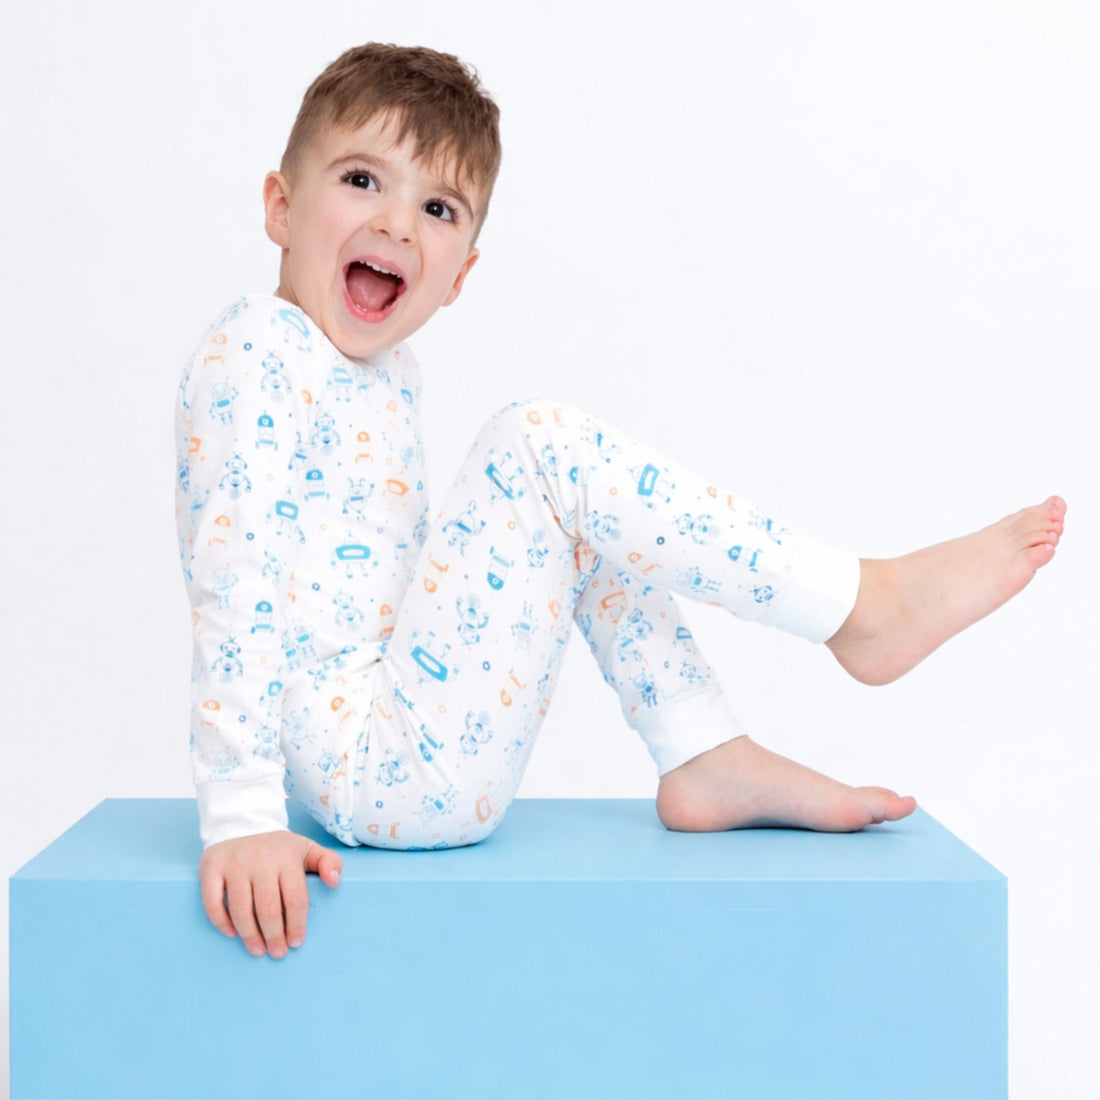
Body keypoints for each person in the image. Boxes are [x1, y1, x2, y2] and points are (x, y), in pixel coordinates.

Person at [175, 43, 1065, 960]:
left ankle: (700, 745)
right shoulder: (256, 347)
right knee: (539, 448)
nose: (397, 225)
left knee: (572, 506)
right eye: (362, 180)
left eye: (437, 209)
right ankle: (861, 607)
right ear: (280, 207)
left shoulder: (380, 374)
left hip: (394, 743)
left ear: (460, 275)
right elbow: (234, 583)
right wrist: (241, 816)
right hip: (373, 769)